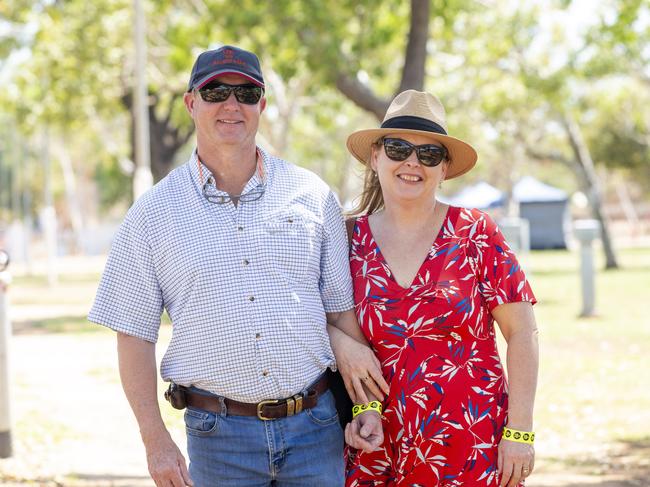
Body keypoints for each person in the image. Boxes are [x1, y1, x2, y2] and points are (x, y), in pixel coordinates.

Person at [89, 45, 388, 487]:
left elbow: (340, 314)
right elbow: (134, 334)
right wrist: (155, 441)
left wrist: (365, 406)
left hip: (316, 429)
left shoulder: (311, 194)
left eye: (246, 93)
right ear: (192, 103)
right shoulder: (152, 214)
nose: (232, 104)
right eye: (216, 91)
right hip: (217, 438)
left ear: (262, 106)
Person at [343, 90, 539, 487]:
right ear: (376, 157)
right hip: (378, 444)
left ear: (444, 168)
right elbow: (335, 325)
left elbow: (522, 332)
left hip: (473, 442)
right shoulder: (349, 239)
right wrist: (357, 397)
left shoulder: (475, 233)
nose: (412, 162)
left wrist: (520, 433)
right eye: (398, 148)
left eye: (429, 154)